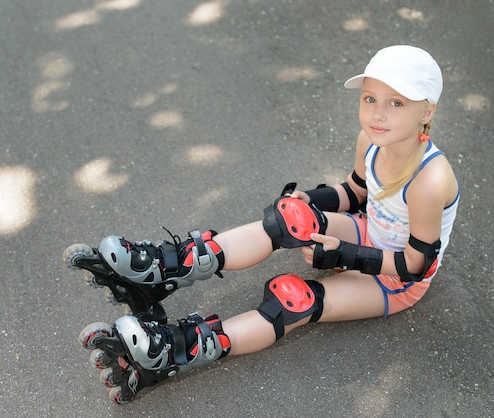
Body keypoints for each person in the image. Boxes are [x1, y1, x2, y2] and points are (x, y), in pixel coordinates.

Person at [74, 45, 460, 404]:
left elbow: (416, 264)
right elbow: (356, 191)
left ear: (426, 111)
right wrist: (312, 199)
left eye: (396, 103)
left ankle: (174, 350)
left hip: (395, 280)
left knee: (296, 301)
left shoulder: (430, 180)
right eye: (370, 99)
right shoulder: (370, 141)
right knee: (289, 219)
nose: (378, 113)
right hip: (369, 231)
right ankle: (165, 269)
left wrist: (342, 254)